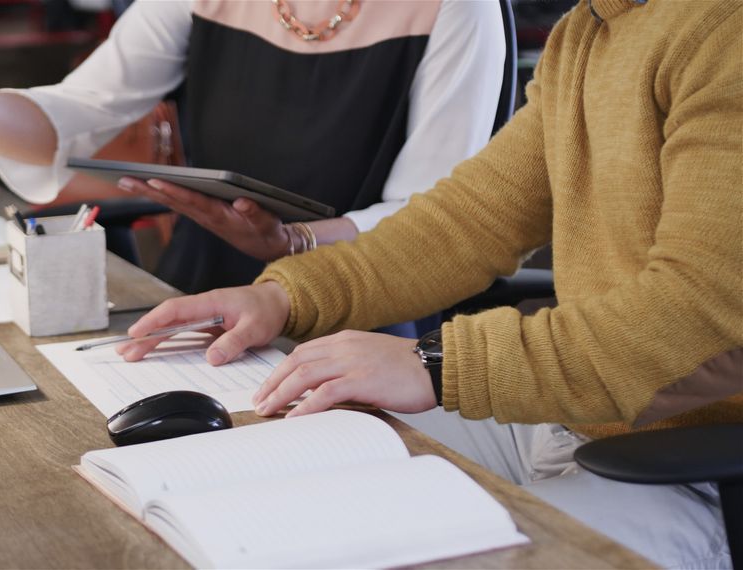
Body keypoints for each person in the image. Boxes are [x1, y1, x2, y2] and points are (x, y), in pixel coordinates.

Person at [116, 0, 742, 567]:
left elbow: (697, 314)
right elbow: (469, 222)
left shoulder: (724, 31)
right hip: (574, 415)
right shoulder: (593, 26)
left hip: (696, 463)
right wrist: (285, 295)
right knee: (275, 463)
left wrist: (439, 364)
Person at [0, 0, 505, 306]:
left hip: (363, 304)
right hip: (202, 294)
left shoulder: (457, 11)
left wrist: (295, 245)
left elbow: (435, 217)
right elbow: (71, 120)